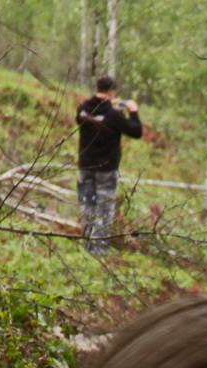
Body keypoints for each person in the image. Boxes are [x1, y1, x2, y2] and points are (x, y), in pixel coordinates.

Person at [76, 75, 142, 254]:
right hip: (106, 169)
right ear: (112, 91)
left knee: (86, 205)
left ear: (98, 88)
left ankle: (87, 246)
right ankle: (99, 249)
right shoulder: (114, 115)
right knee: (104, 209)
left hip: (85, 166)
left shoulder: (83, 109)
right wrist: (133, 111)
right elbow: (136, 131)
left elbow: (95, 115)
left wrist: (110, 105)